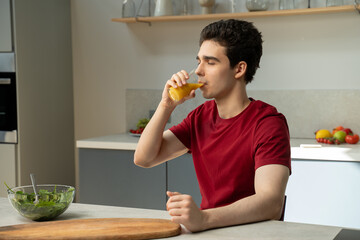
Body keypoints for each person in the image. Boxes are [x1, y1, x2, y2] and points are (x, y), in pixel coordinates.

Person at [134, 19, 291, 233]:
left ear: (239, 69)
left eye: (210, 62)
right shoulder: (200, 117)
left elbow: (271, 203)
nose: (198, 71)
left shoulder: (268, 124)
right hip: (211, 233)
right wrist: (166, 105)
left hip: (256, 235)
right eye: (198, 61)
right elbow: (144, 158)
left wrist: (204, 218)